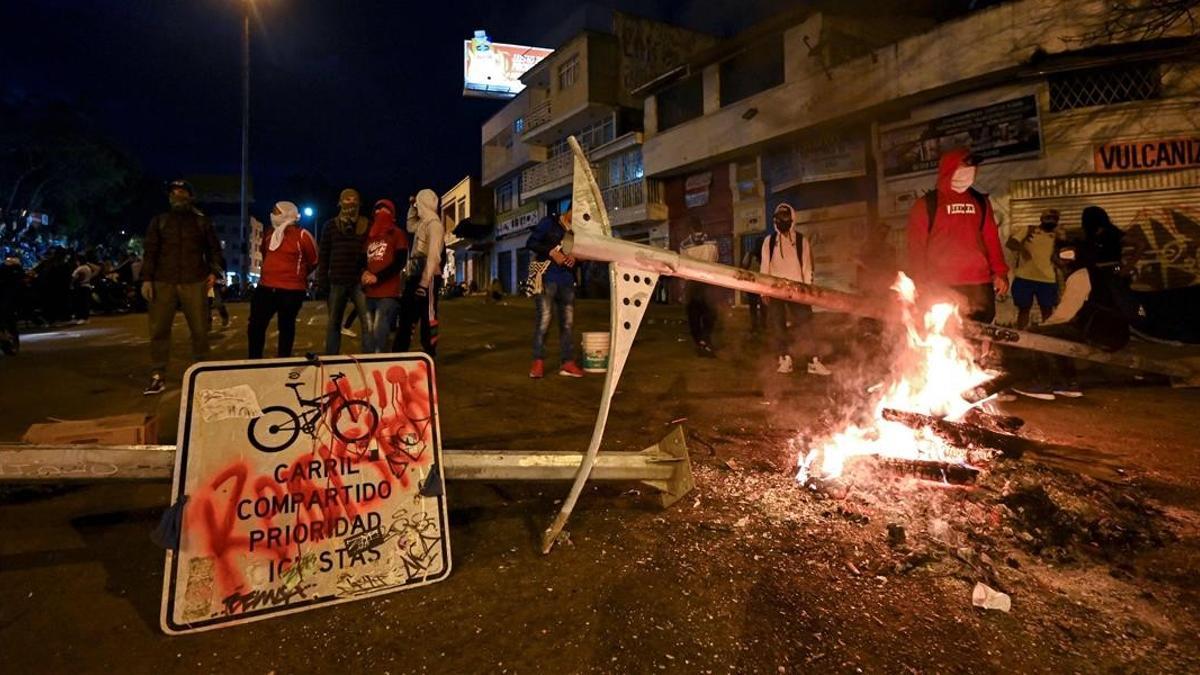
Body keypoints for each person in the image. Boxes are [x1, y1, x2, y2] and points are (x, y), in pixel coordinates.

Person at [1012, 241, 1131, 400]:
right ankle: (1069, 384)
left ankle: (1042, 385)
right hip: (1115, 334)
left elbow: (1065, 313)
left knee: (1037, 335)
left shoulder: (1080, 276)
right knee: (1062, 334)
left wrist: (1040, 327)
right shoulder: (1097, 273)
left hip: (1098, 333)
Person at [140, 179, 225, 395]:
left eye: (182, 192)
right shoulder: (159, 221)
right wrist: (147, 279)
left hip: (195, 281)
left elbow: (214, 250)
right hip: (162, 281)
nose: (177, 195)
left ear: (190, 196)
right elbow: (150, 252)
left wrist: (214, 273)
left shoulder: (202, 222)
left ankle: (202, 373)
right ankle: (158, 375)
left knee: (199, 330)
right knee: (159, 330)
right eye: (174, 192)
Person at [906, 148, 1009, 323]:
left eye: (974, 166)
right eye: (965, 165)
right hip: (940, 285)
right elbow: (916, 247)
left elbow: (991, 239)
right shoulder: (926, 204)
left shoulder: (981, 202)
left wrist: (1000, 272)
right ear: (950, 167)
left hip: (979, 283)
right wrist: (920, 280)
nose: (971, 170)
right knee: (944, 337)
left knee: (981, 335)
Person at [760, 203, 830, 376]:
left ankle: (813, 361)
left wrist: (808, 292)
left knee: (806, 326)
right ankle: (785, 359)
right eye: (779, 218)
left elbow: (807, 267)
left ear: (792, 219)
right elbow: (764, 267)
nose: (782, 222)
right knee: (778, 326)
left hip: (798, 290)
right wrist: (763, 290)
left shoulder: (801, 241)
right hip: (775, 290)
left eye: (785, 218)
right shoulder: (769, 242)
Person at [247, 201, 317, 359]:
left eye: (276, 212)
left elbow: (313, 260)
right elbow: (266, 255)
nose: (272, 215)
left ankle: (283, 358)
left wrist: (297, 276)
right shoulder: (269, 234)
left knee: (286, 325)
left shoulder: (302, 235)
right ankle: (254, 360)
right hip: (266, 288)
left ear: (287, 214)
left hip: (291, 291)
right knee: (256, 325)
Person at [525, 205, 584, 378]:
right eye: (576, 214)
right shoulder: (549, 222)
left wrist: (577, 259)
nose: (577, 219)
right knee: (544, 320)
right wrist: (551, 252)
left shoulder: (577, 232)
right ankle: (538, 362)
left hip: (567, 281)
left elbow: (583, 256)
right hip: (546, 278)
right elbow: (531, 242)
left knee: (568, 323)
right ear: (569, 209)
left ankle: (567, 363)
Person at [318, 188, 372, 354]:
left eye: (354, 199)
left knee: (367, 322)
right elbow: (324, 255)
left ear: (360, 202)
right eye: (347, 199)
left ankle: (369, 359)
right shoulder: (330, 226)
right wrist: (323, 282)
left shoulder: (366, 224)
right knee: (334, 323)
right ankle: (331, 359)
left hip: (359, 282)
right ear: (340, 202)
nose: (351, 202)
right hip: (337, 281)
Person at [394, 190, 444, 356]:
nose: (417, 206)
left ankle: (429, 353)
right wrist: (412, 207)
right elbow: (409, 226)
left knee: (428, 316)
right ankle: (400, 351)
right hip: (416, 273)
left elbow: (434, 256)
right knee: (407, 313)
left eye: (419, 203)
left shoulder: (434, 225)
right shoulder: (423, 223)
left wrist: (424, 282)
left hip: (427, 276)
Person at [361, 199, 408, 353]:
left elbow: (400, 262)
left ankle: (379, 363)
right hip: (369, 293)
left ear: (392, 213)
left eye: (385, 209)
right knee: (368, 332)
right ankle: (367, 364)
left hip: (388, 293)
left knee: (379, 331)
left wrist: (378, 277)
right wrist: (363, 272)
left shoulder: (397, 234)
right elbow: (361, 259)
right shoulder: (370, 236)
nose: (380, 212)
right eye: (377, 209)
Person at [1006, 209, 1061, 329]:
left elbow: (1058, 256)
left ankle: (1049, 338)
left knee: (1047, 311)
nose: (1051, 221)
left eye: (1054, 219)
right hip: (1024, 278)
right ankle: (1021, 338)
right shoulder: (1029, 230)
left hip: (1047, 280)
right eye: (1048, 218)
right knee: (1024, 310)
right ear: (1041, 219)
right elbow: (1010, 243)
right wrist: (1022, 249)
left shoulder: (1057, 236)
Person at [679, 216, 718, 357]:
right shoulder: (712, 242)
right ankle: (706, 339)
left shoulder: (684, 245)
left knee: (693, 315)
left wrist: (683, 290)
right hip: (708, 282)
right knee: (709, 313)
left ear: (690, 229)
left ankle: (699, 342)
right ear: (703, 226)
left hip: (692, 284)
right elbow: (715, 260)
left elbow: (682, 267)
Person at [740, 241, 763, 337]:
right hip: (763, 286)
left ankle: (755, 326)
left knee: (753, 307)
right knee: (763, 306)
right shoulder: (765, 254)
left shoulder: (749, 255)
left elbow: (744, 266)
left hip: (752, 285)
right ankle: (763, 324)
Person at [70, 253, 100, 324]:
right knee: (85, 303)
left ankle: (82, 317)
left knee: (81, 303)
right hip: (87, 285)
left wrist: (71, 284)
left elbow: (74, 277)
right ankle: (85, 317)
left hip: (82, 286)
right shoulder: (88, 268)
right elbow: (97, 270)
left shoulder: (80, 268)